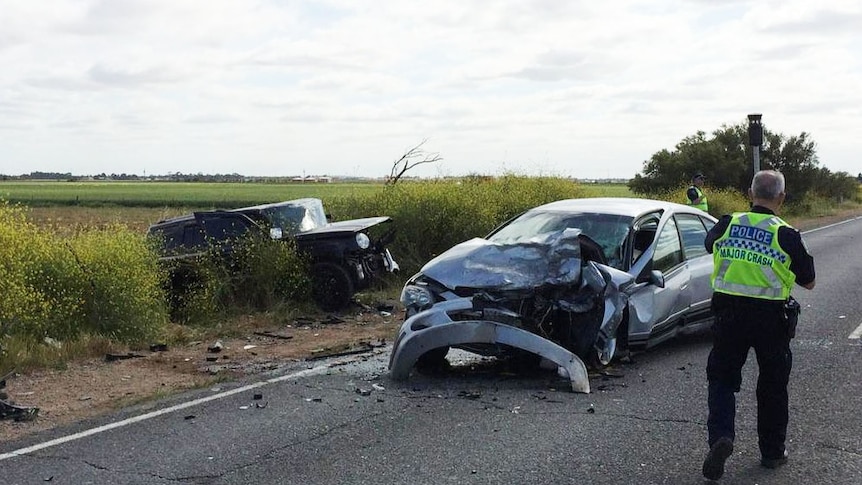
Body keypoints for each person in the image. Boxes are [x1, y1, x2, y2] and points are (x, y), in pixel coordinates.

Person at [701, 170, 815, 480]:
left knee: (722, 380)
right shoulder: (787, 234)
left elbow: (708, 244)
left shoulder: (727, 224)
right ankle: (772, 453)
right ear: (781, 198)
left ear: (750, 195)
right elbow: (809, 281)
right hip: (770, 319)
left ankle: (721, 437)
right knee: (772, 386)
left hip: (728, 315)